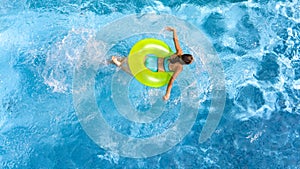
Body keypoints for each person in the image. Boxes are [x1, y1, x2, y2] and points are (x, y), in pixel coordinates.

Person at [111, 26, 193, 101]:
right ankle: (119, 65)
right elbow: (171, 81)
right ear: (185, 63)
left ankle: (118, 59)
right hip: (153, 68)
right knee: (134, 73)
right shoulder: (179, 68)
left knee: (132, 59)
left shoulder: (179, 52)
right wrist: (167, 94)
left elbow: (175, 40)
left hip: (152, 59)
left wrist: (174, 30)